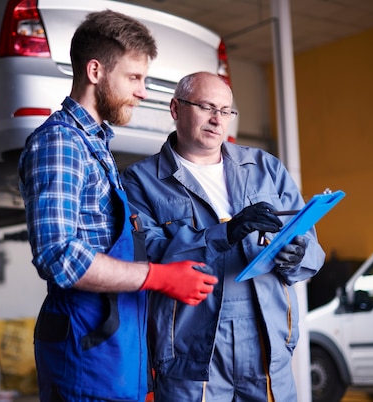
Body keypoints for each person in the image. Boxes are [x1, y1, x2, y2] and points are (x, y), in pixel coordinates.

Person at [18, 12, 218, 402]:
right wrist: (160, 277)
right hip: (83, 362)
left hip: (115, 360)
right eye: (134, 78)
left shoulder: (97, 146)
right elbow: (59, 257)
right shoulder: (61, 144)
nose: (143, 91)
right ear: (95, 71)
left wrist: (142, 375)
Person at [121, 71, 326, 401]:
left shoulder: (265, 168)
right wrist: (225, 233)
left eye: (226, 110)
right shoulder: (141, 181)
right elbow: (148, 256)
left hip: (267, 346)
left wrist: (298, 255)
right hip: (191, 352)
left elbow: (314, 251)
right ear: (175, 109)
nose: (218, 120)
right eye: (206, 107)